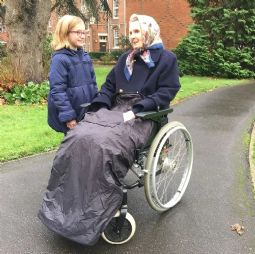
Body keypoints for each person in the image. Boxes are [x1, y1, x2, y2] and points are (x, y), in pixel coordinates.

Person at [38, 14, 181, 245]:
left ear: (149, 31)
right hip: (116, 109)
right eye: (131, 32)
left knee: (105, 145)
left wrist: (139, 108)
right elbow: (108, 88)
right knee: (78, 136)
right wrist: (97, 106)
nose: (132, 36)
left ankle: (96, 210)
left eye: (137, 31)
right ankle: (65, 209)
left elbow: (167, 91)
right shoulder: (126, 59)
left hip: (143, 114)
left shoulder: (166, 59)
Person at [47, 15, 98, 133]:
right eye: (78, 32)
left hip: (86, 112)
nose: (82, 36)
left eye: (84, 32)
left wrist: (96, 106)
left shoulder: (85, 57)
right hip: (72, 115)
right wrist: (69, 117)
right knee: (73, 146)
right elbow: (58, 91)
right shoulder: (60, 59)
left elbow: (93, 85)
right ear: (65, 33)